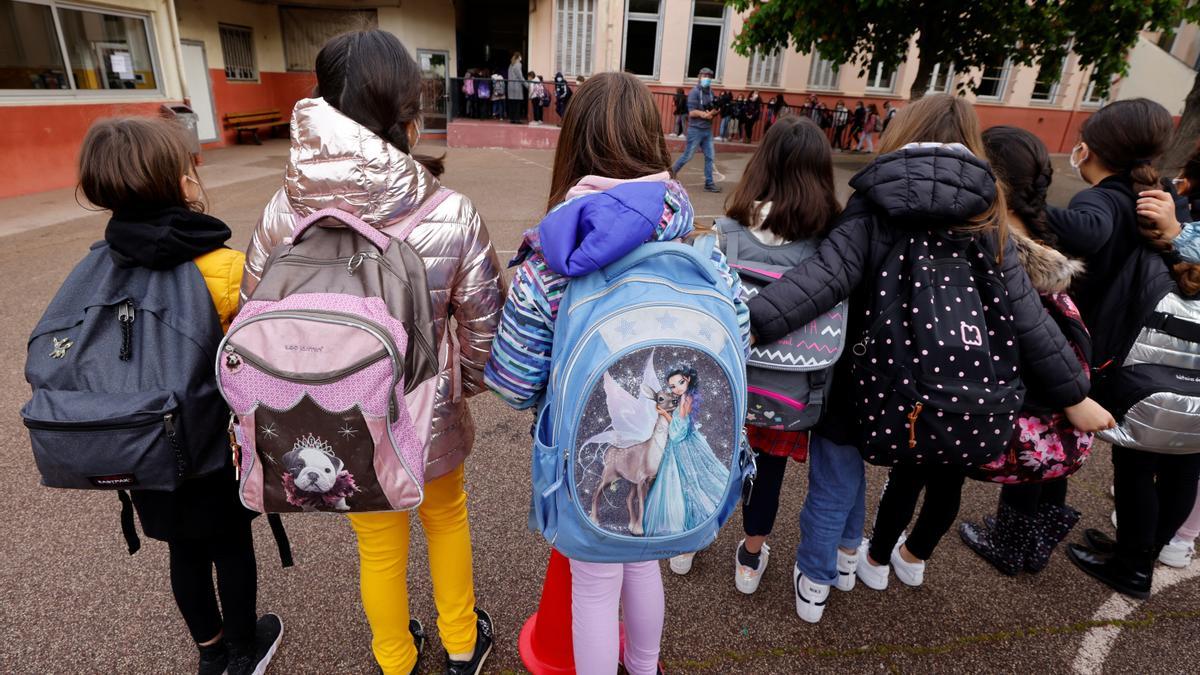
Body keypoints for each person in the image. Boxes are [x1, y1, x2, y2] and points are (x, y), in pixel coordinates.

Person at [743, 94, 1110, 602]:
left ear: (905, 130)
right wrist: (1074, 394)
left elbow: (823, 278)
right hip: (952, 386)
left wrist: (751, 324)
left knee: (835, 479)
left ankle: (816, 583)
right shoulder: (987, 212)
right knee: (921, 482)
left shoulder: (875, 197)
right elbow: (1026, 313)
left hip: (863, 380)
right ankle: (858, 559)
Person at [241, 30, 505, 674]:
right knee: (446, 521)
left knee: (378, 543)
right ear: (406, 116)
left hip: (338, 419)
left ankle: (395, 659)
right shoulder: (451, 211)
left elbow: (254, 310)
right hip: (427, 414)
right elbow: (482, 329)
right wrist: (454, 388)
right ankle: (463, 647)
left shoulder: (284, 211)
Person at [484, 71, 750, 675]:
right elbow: (739, 336)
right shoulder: (704, 252)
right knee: (644, 562)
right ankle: (647, 665)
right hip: (658, 463)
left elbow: (515, 382)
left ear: (572, 144)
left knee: (595, 585)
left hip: (584, 473)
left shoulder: (550, 264)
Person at [77, 116, 282, 675]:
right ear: (182, 183)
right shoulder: (223, 267)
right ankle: (246, 646)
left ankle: (211, 653)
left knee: (183, 550)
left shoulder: (97, 268)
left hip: (140, 443)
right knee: (231, 544)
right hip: (213, 445)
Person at [1053, 98, 1200, 599]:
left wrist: (1180, 235)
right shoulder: (1161, 199)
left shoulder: (1154, 205)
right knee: (1184, 457)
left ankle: (1134, 566)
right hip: (1185, 350)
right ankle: (1138, 550)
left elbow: (1088, 233)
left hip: (1152, 351)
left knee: (1139, 457)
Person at [716, 116, 844, 604]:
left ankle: (685, 546)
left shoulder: (729, 230)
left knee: (708, 458)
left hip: (730, 381)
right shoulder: (828, 245)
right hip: (789, 392)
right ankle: (750, 558)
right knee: (766, 473)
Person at [957, 126, 1093, 576]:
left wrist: (1075, 395)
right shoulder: (1053, 234)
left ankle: (1012, 544)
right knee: (1048, 458)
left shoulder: (998, 243)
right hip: (1057, 393)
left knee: (1028, 454)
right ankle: (1035, 537)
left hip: (1026, 387)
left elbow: (1032, 332)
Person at [672, 66, 721, 193]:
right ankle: (669, 175)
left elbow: (712, 108)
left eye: (709, 77)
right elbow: (692, 112)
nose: (707, 79)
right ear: (699, 77)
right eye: (705, 76)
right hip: (695, 130)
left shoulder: (710, 92)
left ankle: (709, 183)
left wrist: (715, 111)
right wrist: (705, 115)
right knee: (687, 156)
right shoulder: (694, 92)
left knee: (710, 157)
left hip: (707, 130)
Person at [507, 52, 527, 124]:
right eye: (521, 57)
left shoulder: (511, 65)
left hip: (510, 87)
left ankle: (512, 119)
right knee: (517, 104)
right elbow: (520, 77)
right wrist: (526, 85)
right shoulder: (518, 64)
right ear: (519, 57)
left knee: (512, 103)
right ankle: (517, 119)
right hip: (516, 87)